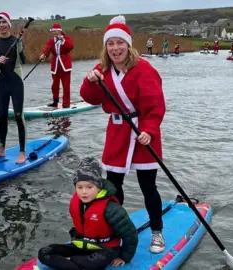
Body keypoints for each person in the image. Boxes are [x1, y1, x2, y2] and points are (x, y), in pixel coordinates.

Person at [79, 15, 167, 253]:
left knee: (148, 187)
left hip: (142, 133)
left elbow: (156, 106)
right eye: (111, 44)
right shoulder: (102, 70)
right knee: (112, 188)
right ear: (106, 47)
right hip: (117, 133)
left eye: (120, 43)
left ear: (128, 45)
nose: (115, 48)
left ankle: (157, 232)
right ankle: (112, 232)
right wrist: (89, 81)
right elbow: (90, 97)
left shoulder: (144, 69)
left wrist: (149, 130)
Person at [37, 157, 138, 270]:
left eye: (89, 187)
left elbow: (130, 235)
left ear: (98, 187)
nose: (84, 192)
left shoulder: (111, 209)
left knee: (94, 263)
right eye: (79, 187)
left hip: (105, 249)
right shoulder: (76, 202)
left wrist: (124, 257)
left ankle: (69, 264)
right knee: (44, 253)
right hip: (81, 245)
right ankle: (73, 265)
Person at [0, 11, 27, 163]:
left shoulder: (15, 41)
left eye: (4, 22)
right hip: (2, 83)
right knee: (1, 116)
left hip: (16, 81)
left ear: (9, 24)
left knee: (18, 116)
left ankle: (22, 152)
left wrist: (21, 44)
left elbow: (23, 60)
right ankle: (0, 150)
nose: (1, 25)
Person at [40, 23, 74, 108]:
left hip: (65, 66)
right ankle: (55, 102)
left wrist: (63, 40)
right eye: (53, 31)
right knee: (54, 86)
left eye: (56, 31)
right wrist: (43, 55)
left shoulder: (67, 39)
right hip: (55, 67)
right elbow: (47, 49)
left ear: (60, 31)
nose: (54, 33)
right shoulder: (51, 41)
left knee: (66, 86)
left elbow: (70, 47)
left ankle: (66, 104)